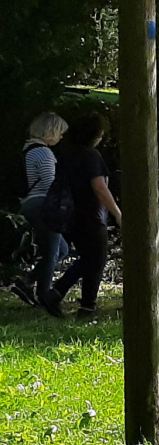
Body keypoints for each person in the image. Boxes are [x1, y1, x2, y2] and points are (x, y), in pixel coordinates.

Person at [40, 113, 121, 318]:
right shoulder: (90, 156)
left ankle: (57, 294)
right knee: (97, 259)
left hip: (71, 214)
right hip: (90, 214)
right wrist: (118, 214)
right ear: (94, 135)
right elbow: (100, 188)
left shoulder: (67, 153)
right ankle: (86, 306)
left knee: (88, 258)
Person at [12, 113, 69, 311]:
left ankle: (27, 281)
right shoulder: (43, 152)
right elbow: (49, 183)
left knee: (61, 250)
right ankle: (44, 294)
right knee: (52, 251)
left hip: (31, 202)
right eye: (60, 133)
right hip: (43, 204)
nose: (61, 137)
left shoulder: (29, 149)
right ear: (50, 131)